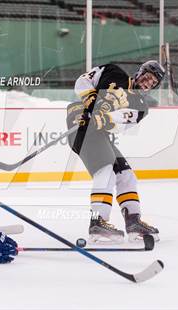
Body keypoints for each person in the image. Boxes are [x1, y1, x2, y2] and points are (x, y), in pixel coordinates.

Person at [66, 61, 165, 244]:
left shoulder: (141, 106)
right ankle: (98, 222)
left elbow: (122, 123)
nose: (148, 83)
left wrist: (103, 119)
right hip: (80, 122)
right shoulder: (112, 71)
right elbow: (82, 81)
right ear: (140, 72)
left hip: (99, 130)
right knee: (105, 170)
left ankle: (133, 221)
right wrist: (90, 99)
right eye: (148, 77)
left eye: (153, 83)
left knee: (125, 175)